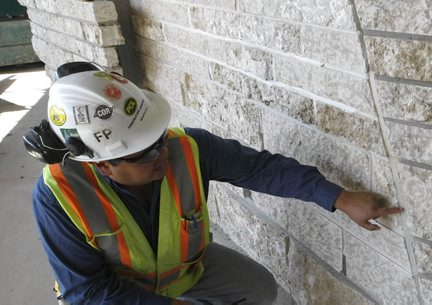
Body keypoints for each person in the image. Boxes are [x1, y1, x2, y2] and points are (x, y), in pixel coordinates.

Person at [23, 62, 404, 305]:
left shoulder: (187, 147)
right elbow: (88, 291)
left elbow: (261, 169)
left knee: (259, 290)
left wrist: (338, 197)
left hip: (181, 273)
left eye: (158, 140)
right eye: (143, 153)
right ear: (103, 165)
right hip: (113, 297)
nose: (162, 155)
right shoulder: (58, 195)